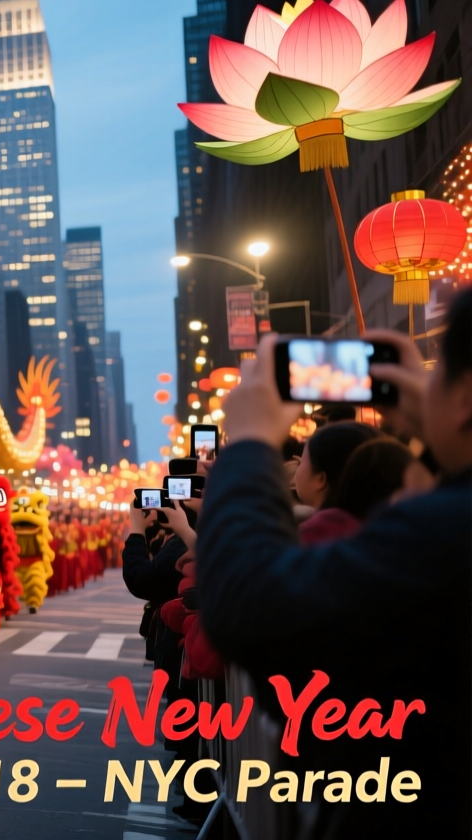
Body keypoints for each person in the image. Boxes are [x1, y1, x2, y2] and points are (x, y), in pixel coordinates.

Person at [200, 292, 472, 837]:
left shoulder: (441, 532)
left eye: (439, 367)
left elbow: (250, 605)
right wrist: (438, 430)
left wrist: (250, 443)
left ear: (465, 395)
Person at [293, 421, 380, 545]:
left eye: (302, 461)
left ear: (320, 479)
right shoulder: (380, 529)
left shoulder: (308, 537)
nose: (297, 465)